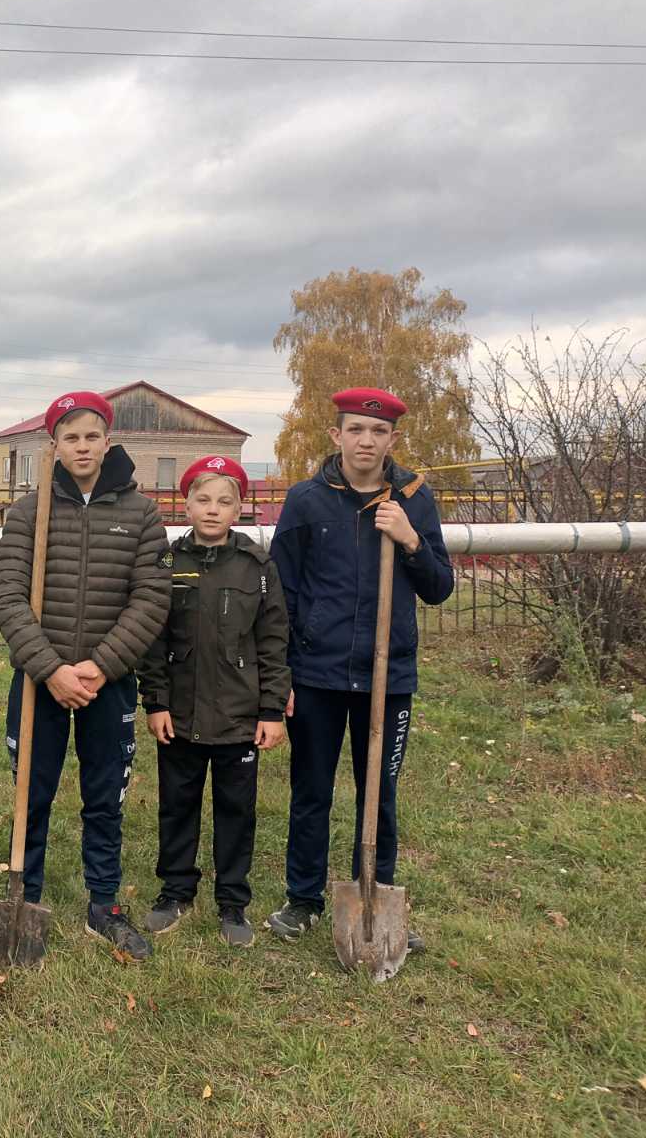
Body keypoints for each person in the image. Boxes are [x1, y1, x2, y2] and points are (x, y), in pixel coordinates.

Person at [265, 388, 453, 948]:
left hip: (386, 678)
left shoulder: (414, 499)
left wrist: (410, 540)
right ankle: (303, 899)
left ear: (392, 439)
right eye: (355, 430)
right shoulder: (305, 501)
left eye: (377, 432)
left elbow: (440, 587)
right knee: (311, 789)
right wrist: (287, 670)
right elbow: (282, 592)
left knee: (380, 791)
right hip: (318, 675)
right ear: (337, 436)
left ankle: (377, 892)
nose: (365, 441)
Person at [0, 391, 171, 960]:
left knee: (104, 796)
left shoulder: (140, 514)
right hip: (41, 681)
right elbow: (8, 597)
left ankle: (104, 904)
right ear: (54, 446)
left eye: (92, 435)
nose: (83, 446)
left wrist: (99, 664)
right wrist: (50, 669)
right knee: (32, 791)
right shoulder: (29, 512)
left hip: (106, 681)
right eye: (71, 437)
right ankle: (28, 896)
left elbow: (151, 598)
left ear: (107, 441)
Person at [136, 455, 290, 947]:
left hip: (239, 716)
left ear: (239, 507)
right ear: (186, 503)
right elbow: (152, 640)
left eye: (224, 501)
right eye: (202, 500)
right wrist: (155, 702)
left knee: (235, 810)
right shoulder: (167, 563)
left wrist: (271, 709)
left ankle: (233, 901)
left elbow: (272, 641)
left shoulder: (257, 566)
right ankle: (175, 890)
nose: (212, 510)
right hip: (178, 713)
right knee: (176, 805)